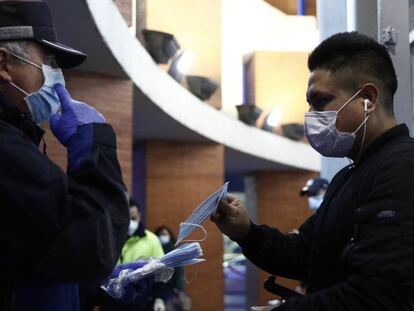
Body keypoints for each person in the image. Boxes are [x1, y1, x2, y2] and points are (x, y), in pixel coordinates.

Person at [212, 31, 414, 310]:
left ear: (367, 99)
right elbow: (306, 252)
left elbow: (378, 295)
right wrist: (247, 232)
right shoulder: (349, 176)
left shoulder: (402, 169)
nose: (310, 115)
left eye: (319, 101)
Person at [0, 1, 129, 310]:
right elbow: (92, 246)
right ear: (4, 64)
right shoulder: (5, 147)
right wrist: (94, 144)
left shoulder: (17, 138)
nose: (56, 75)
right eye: (47, 60)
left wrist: (98, 287)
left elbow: (37, 256)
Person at [101, 199, 165, 311]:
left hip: (141, 300)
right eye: (127, 218)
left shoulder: (152, 240)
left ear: (140, 215)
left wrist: (159, 298)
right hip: (111, 300)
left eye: (133, 218)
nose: (130, 222)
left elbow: (160, 272)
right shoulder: (111, 237)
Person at [154, 226, 188, 311]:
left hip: (171, 289)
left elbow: (179, 271)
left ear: (170, 236)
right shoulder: (154, 249)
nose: (163, 236)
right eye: (161, 234)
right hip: (155, 289)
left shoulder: (174, 251)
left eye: (165, 234)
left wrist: (178, 288)